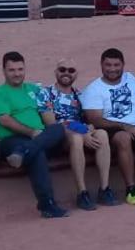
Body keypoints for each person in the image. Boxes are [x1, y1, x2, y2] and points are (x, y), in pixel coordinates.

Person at [0, 51, 68, 218]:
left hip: (35, 140)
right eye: (12, 70)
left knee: (58, 129)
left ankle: (25, 151)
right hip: (11, 141)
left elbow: (50, 107)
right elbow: (5, 121)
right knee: (38, 153)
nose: (17, 74)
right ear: (4, 71)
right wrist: (32, 132)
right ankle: (47, 205)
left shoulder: (34, 89)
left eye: (20, 69)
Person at [37, 57, 114, 210]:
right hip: (59, 138)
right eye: (62, 69)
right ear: (55, 72)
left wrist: (90, 128)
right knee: (77, 138)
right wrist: (82, 131)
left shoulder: (80, 95)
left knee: (102, 134)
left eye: (71, 70)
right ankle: (82, 193)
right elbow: (52, 124)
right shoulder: (46, 93)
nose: (66, 73)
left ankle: (104, 189)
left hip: (80, 133)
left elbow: (88, 118)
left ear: (76, 74)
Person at [82, 47, 135, 203]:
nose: (112, 69)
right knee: (123, 138)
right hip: (111, 128)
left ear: (123, 65)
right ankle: (131, 189)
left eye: (116, 65)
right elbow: (95, 119)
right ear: (101, 65)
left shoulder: (132, 79)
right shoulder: (93, 89)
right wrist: (124, 126)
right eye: (108, 65)